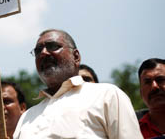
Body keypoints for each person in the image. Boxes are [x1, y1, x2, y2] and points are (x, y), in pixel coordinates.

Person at [13, 29, 142, 138]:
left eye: (52, 46)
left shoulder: (106, 95)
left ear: (76, 57)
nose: (43, 53)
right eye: (38, 51)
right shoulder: (27, 117)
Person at [138, 58, 165, 138]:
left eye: (160, 79)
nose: (154, 86)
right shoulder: (133, 130)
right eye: (147, 82)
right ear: (141, 92)